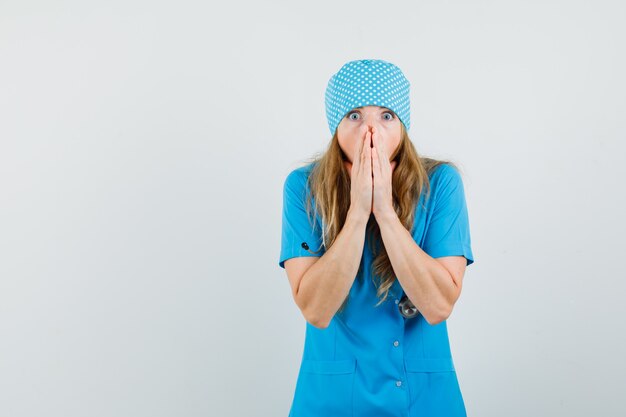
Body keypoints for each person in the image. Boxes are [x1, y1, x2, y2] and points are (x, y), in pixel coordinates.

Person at [278, 58, 475, 417]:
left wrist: (384, 210)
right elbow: (315, 309)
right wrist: (357, 213)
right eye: (355, 115)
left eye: (386, 116)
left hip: (424, 399)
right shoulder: (302, 188)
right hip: (331, 400)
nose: (372, 130)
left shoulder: (442, 183)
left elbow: (439, 305)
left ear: (403, 126)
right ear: (336, 125)